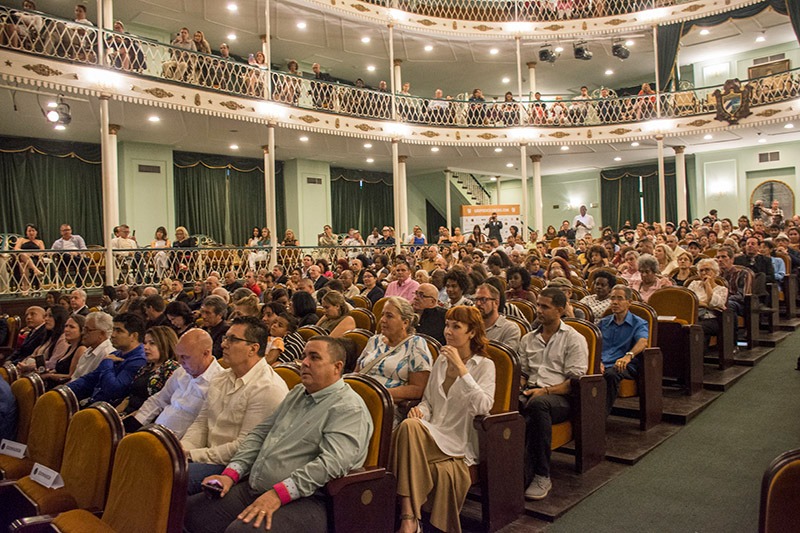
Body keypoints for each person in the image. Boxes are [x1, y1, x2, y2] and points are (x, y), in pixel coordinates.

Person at [184, 336, 372, 533]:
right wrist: (231, 474)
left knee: (242, 531)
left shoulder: (348, 408)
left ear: (337, 367)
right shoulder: (298, 393)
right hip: (257, 487)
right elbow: (259, 435)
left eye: (314, 357)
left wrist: (279, 493)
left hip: (309, 499)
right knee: (190, 513)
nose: (305, 363)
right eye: (304, 356)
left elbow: (330, 464)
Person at [391, 306, 495, 533]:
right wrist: (421, 412)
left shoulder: (485, 365)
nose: (448, 331)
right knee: (410, 424)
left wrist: (461, 369)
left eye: (456, 326)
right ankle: (410, 519)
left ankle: (409, 518)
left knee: (406, 431)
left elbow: (483, 406)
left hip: (458, 439)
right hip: (433, 432)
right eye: (447, 325)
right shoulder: (441, 360)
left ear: (472, 333)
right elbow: (428, 402)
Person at [181, 317, 289, 494]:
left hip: (234, 467)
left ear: (253, 349)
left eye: (232, 339)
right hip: (206, 456)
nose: (224, 344)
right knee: (157, 463)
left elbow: (245, 447)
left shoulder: (268, 388)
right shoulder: (221, 377)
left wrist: (193, 456)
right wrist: (183, 449)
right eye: (225, 338)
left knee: (170, 476)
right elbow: (201, 423)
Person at [518, 288, 588, 500]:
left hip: (561, 398)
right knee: (506, 403)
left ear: (559, 310)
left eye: (544, 307)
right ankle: (512, 472)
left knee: (538, 405)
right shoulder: (529, 338)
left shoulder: (573, 339)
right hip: (532, 392)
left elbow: (574, 382)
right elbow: (523, 373)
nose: (538, 310)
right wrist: (520, 387)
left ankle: (542, 475)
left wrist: (545, 391)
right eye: (538, 305)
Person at [124, 329, 223, 437]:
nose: (179, 361)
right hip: (155, 432)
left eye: (185, 357)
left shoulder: (219, 382)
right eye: (179, 356)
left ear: (205, 353)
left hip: (178, 444)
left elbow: (203, 428)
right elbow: (159, 400)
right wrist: (134, 425)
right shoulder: (181, 371)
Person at [356, 297, 432, 424]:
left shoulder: (416, 344)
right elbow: (357, 373)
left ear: (405, 322)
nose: (383, 320)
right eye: (382, 315)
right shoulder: (374, 341)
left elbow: (418, 388)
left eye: (389, 316)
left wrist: (376, 394)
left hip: (384, 406)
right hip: (358, 399)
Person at [67, 313, 148, 406]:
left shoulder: (139, 360)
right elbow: (90, 380)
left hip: (110, 411)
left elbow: (113, 390)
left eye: (119, 331)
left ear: (133, 336)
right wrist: (65, 390)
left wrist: (107, 363)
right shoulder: (115, 354)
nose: (113, 335)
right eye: (113, 330)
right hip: (93, 404)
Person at [598, 286, 649, 415]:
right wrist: (597, 361)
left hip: (625, 364)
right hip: (603, 363)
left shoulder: (639, 323)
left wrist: (628, 356)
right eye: (612, 298)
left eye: (620, 299)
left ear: (629, 302)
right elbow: (593, 344)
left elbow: (643, 341)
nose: (615, 302)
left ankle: (600, 417)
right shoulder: (603, 323)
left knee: (611, 374)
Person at [117, 325, 179, 415]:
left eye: (152, 343)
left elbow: (162, 405)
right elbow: (131, 396)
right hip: (127, 412)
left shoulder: (171, 368)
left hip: (146, 418)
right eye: (145, 343)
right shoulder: (146, 367)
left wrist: (130, 419)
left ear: (165, 344)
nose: (145, 347)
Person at [687, 258, 729, 349]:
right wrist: (705, 304)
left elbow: (714, 304)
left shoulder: (722, 289)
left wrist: (708, 285)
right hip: (693, 317)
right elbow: (688, 301)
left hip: (712, 320)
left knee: (696, 328)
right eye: (701, 270)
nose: (704, 273)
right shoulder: (694, 284)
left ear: (715, 272)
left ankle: (696, 359)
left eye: (707, 270)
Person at [41, 313, 86, 386]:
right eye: (66, 326)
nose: (66, 329)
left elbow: (71, 377)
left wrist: (49, 375)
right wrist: (49, 372)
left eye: (72, 327)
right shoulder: (70, 347)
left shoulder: (81, 349)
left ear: (81, 331)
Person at [474, 283, 521, 353]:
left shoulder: (510, 329)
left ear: (496, 303)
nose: (478, 304)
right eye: (476, 299)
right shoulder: (470, 326)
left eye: (483, 299)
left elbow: (505, 359)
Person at [70, 311, 115, 380]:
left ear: (102, 334)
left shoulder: (106, 354)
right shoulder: (89, 349)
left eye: (88, 330)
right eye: (84, 329)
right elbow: (74, 377)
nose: (83, 333)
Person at [14, 223, 45, 293]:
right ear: (26, 232)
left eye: (33, 231)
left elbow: (42, 251)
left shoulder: (40, 241)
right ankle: (36, 270)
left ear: (36, 232)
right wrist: (26, 252)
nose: (31, 232)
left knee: (23, 265)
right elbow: (16, 248)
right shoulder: (22, 240)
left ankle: (25, 288)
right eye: (29, 231)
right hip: (21, 258)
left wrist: (34, 253)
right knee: (23, 256)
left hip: (35, 259)